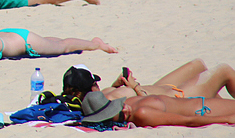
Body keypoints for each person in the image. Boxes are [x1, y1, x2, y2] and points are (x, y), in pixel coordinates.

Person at [62, 60, 235, 101]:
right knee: (224, 70)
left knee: (198, 65)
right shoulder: (106, 101)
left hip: (161, 87)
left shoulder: (101, 96)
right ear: (91, 88)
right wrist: (135, 87)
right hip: (177, 97)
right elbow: (147, 104)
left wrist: (117, 85)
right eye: (95, 83)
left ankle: (216, 105)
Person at [81, 91, 235, 127]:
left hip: (200, 100)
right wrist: (226, 119)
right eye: (121, 115)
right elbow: (186, 121)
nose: (125, 109)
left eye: (117, 106)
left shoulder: (128, 102)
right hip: (205, 110)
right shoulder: (142, 114)